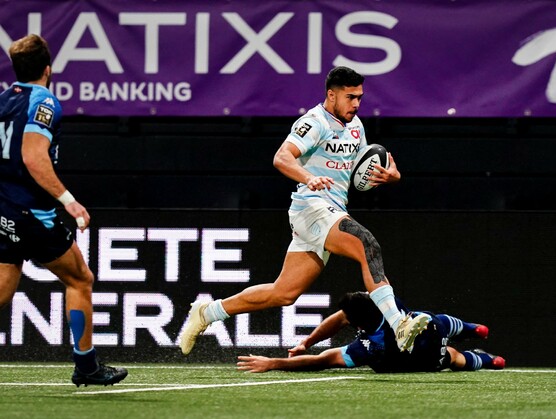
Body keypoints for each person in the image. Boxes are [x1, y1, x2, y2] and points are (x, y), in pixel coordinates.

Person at [180, 66, 431, 355]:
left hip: (331, 210)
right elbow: (282, 157)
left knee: (284, 293)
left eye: (360, 98)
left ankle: (208, 312)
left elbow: (358, 173)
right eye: (350, 97)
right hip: (311, 207)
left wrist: (387, 177)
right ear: (331, 95)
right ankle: (399, 325)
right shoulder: (314, 122)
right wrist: (308, 177)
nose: (356, 104)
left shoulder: (356, 126)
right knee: (367, 244)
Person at [0, 34, 127, 387]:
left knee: (4, 284)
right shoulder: (44, 101)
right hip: (31, 212)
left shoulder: (3, 100)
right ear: (47, 69)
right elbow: (33, 156)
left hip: (5, 210)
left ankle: (87, 364)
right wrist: (68, 199)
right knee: (80, 279)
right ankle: (86, 365)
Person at [236, 291, 506, 373]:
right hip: (429, 328)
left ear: (357, 325)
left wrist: (274, 363)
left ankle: (488, 361)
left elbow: (323, 360)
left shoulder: (368, 347)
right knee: (439, 321)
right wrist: (307, 341)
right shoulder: (388, 302)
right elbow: (341, 317)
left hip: (422, 359)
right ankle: (473, 329)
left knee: (453, 357)